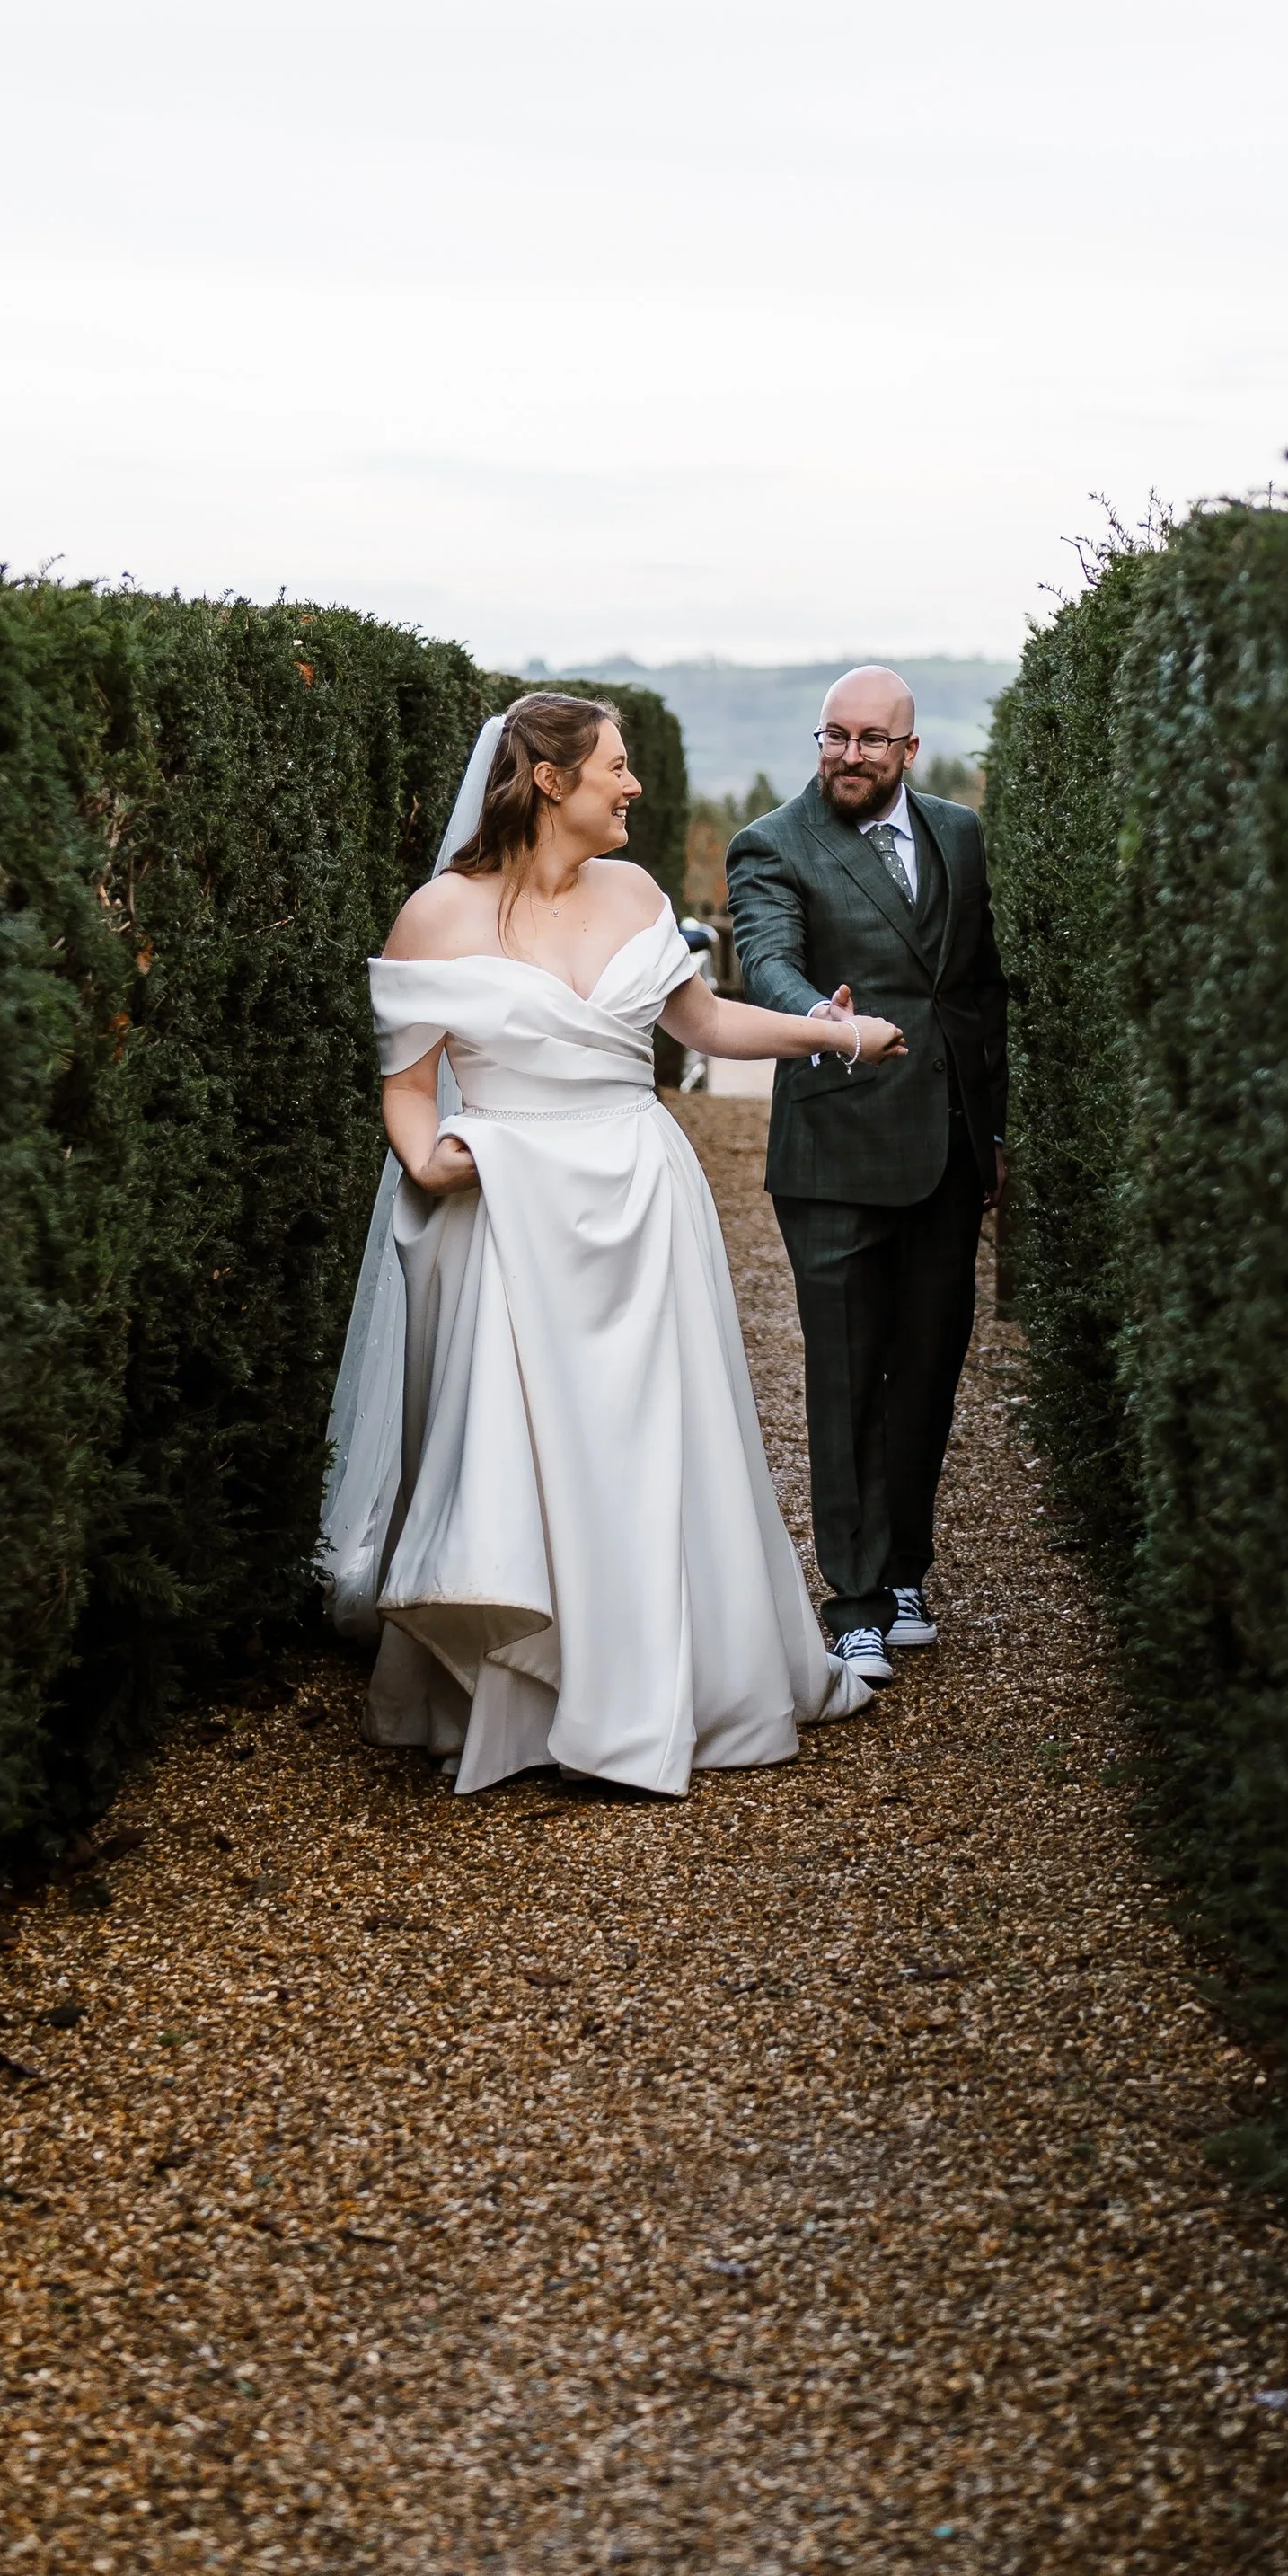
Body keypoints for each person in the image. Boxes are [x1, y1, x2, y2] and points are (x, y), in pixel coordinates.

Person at [316, 693, 906, 1798]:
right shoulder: (435, 916)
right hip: (499, 1211)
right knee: (514, 1448)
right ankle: (517, 1699)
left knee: (650, 1441)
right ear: (549, 780)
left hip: (639, 1198)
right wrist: (429, 1161)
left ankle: (668, 1686)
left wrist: (835, 1036)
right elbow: (403, 1087)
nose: (634, 788)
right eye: (617, 770)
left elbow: (708, 1025)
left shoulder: (634, 892)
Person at [723, 667, 1009, 1685]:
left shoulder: (959, 836)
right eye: (833, 736)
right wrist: (824, 1021)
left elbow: (977, 995)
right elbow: (766, 960)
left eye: (871, 741)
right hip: (836, 1152)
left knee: (928, 1369)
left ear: (908, 751)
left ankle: (902, 1575)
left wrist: (998, 1136)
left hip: (947, 1149)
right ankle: (848, 1602)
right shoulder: (772, 844)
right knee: (846, 1375)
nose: (848, 755)